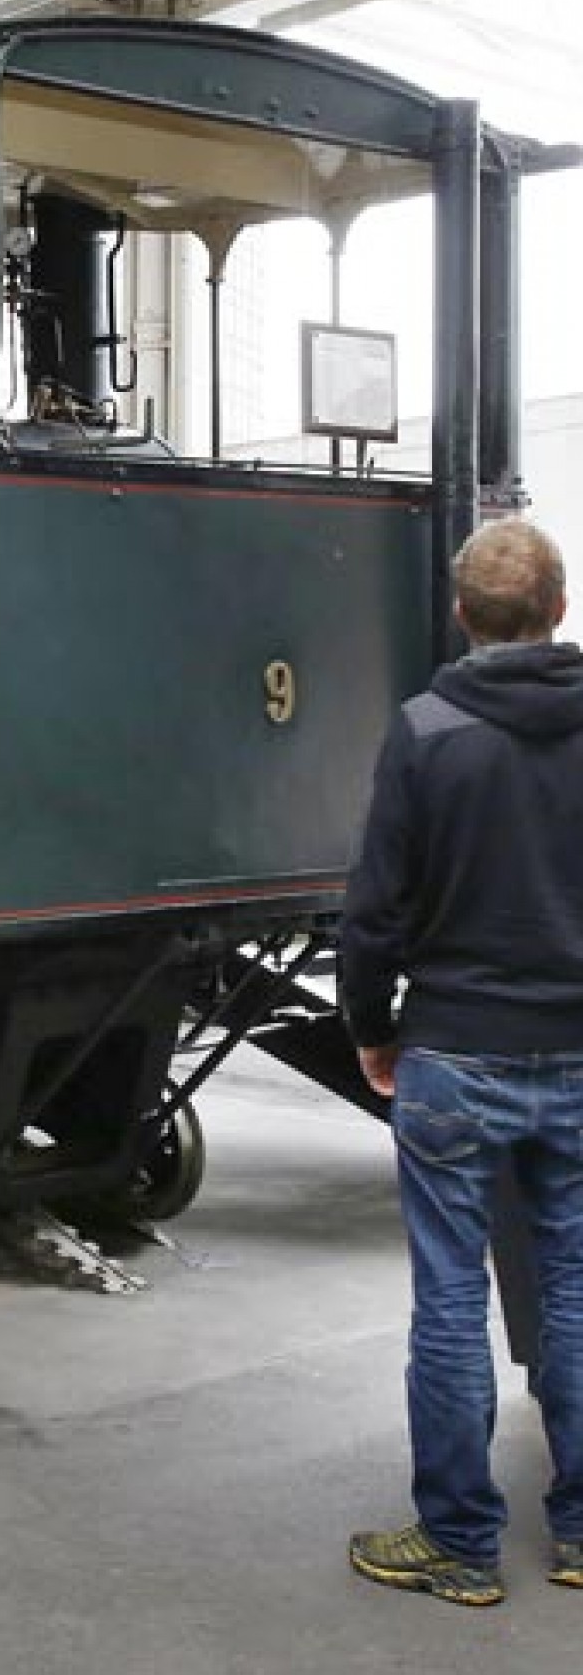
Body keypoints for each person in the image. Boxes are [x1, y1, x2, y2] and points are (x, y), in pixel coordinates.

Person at [342, 516, 583, 1608]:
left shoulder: (425, 728)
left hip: (451, 1049)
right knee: (575, 1288)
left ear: (458, 613)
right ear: (561, 608)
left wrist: (368, 1025)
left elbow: (374, 907)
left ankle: (458, 1541)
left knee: (446, 1298)